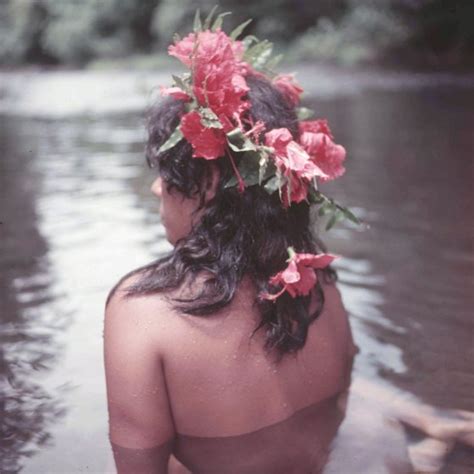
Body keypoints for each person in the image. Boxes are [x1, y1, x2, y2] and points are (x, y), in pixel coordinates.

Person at [104, 15, 473, 474]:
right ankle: (423, 431)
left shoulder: (143, 313)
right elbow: (339, 395)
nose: (158, 189)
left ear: (209, 181)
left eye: (167, 174)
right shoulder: (317, 282)